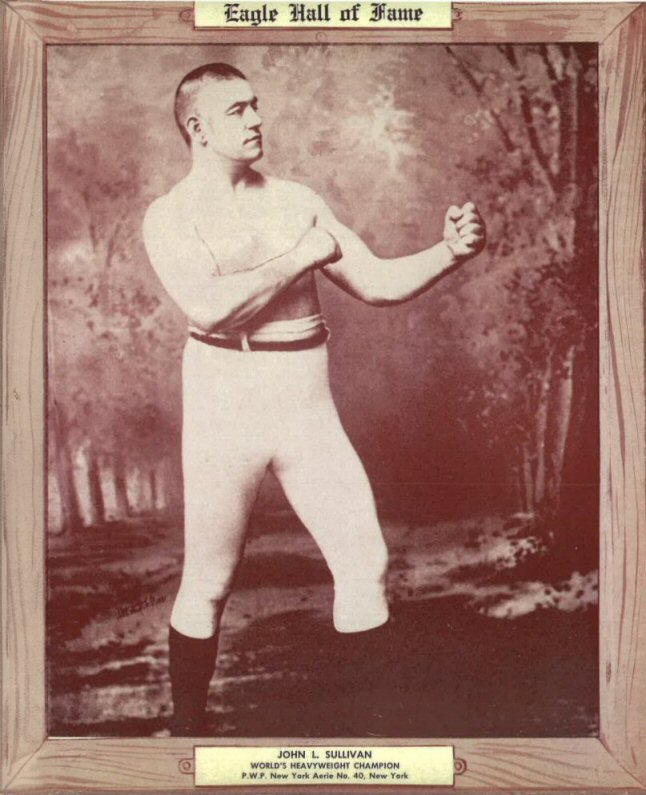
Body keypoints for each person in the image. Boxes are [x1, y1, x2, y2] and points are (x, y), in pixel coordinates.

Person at [142, 62, 485, 737]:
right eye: (237, 110)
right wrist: (299, 256)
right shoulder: (170, 215)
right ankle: (185, 738)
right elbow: (209, 309)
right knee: (209, 580)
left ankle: (374, 744)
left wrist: (449, 252)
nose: (256, 119)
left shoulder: (297, 199)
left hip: (304, 406)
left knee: (365, 563)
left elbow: (377, 282)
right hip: (224, 405)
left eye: (255, 105)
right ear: (197, 128)